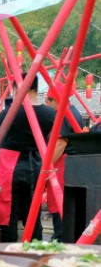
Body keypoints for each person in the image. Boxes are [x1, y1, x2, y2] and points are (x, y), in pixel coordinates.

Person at [0, 73, 68, 243]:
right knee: (33, 215)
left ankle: (8, 253)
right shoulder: (49, 114)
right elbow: (62, 138)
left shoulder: (10, 112)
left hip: (10, 168)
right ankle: (34, 253)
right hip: (35, 166)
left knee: (9, 216)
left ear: (16, 89)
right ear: (36, 88)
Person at [44, 94, 83, 242]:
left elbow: (60, 143)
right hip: (71, 163)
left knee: (58, 200)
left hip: (62, 162)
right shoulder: (74, 111)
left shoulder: (63, 114)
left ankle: (60, 237)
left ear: (56, 101)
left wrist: (46, 166)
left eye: (48, 101)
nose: (47, 104)